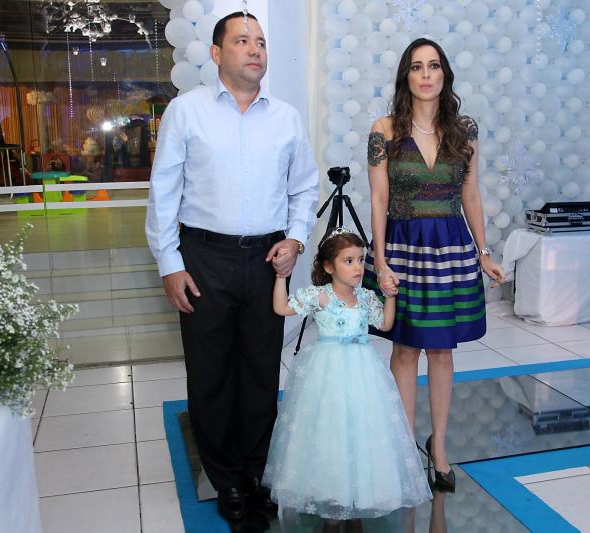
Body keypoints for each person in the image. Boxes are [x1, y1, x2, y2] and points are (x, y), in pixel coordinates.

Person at [145, 11, 319, 523]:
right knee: (210, 373)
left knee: (261, 371)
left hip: (268, 259)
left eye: (261, 41)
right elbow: (163, 192)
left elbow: (304, 187)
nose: (255, 49)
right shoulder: (186, 111)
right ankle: (226, 480)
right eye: (242, 41)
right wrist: (170, 264)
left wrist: (295, 238)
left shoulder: (285, 117)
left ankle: (256, 471)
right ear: (217, 53)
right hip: (204, 257)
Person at [364, 38, 505, 492]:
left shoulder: (465, 130)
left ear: (445, 74)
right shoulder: (384, 130)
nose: (426, 75)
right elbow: (379, 198)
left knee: (442, 351)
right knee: (405, 349)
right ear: (405, 76)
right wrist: (380, 259)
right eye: (417, 67)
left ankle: (438, 448)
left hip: (450, 248)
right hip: (402, 247)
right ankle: (405, 449)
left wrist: (484, 252)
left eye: (434, 66)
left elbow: (471, 194)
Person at [263, 228, 432, 520]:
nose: (357, 268)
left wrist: (390, 296)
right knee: (330, 424)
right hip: (327, 371)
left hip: (363, 369)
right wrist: (280, 277)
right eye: (348, 261)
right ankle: (329, 487)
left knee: (362, 423)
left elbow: (385, 324)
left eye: (360, 260)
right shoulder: (320, 296)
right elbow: (281, 308)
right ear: (329, 267)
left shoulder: (365, 297)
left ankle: (361, 487)